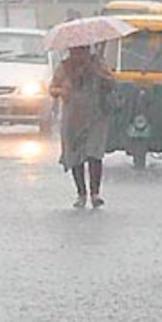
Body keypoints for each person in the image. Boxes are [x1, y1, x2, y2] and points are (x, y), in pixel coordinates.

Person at [50, 45, 115, 209]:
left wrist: (98, 75)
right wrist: (61, 91)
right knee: (75, 156)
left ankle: (95, 194)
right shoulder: (64, 67)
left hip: (96, 116)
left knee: (94, 154)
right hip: (73, 117)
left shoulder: (98, 64)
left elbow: (112, 82)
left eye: (83, 52)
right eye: (75, 52)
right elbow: (52, 88)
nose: (79, 56)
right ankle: (81, 194)